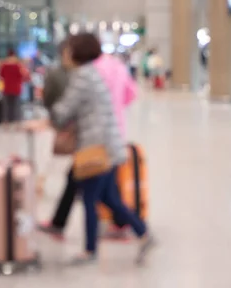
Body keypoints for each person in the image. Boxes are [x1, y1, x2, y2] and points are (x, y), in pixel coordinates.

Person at [49, 33, 154, 266]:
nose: (64, 54)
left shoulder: (83, 76)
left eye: (68, 49)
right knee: (109, 198)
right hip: (111, 144)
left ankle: (90, 250)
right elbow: (129, 94)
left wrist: (51, 117)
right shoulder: (95, 73)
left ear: (77, 53)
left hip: (97, 149)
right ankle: (143, 233)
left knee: (90, 198)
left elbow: (64, 109)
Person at [40, 45, 138, 240]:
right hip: (115, 128)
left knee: (93, 187)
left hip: (95, 137)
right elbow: (131, 94)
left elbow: (73, 104)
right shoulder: (117, 65)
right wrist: (115, 108)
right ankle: (62, 224)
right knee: (86, 180)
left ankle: (122, 228)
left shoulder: (88, 73)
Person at [0, 49, 27, 126]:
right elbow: (22, 76)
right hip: (16, 88)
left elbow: (1, 76)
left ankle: (6, 122)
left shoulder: (4, 65)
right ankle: (17, 122)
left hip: (7, 88)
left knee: (7, 107)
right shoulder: (18, 66)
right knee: (16, 106)